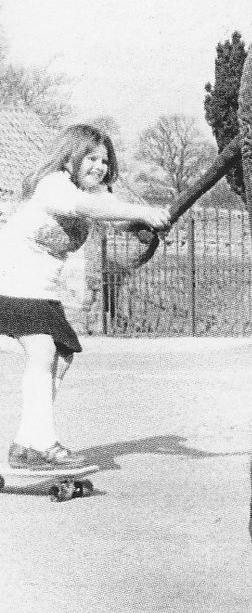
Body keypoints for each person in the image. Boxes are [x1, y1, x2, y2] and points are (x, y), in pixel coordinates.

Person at [0, 124, 170, 471]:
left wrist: (149, 224)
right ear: (70, 157)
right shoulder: (55, 185)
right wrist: (142, 213)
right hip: (10, 276)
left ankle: (26, 444)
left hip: (39, 286)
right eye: (91, 158)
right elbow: (86, 208)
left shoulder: (93, 194)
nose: (100, 166)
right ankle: (44, 444)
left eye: (105, 160)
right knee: (43, 351)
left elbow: (114, 216)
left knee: (61, 355)